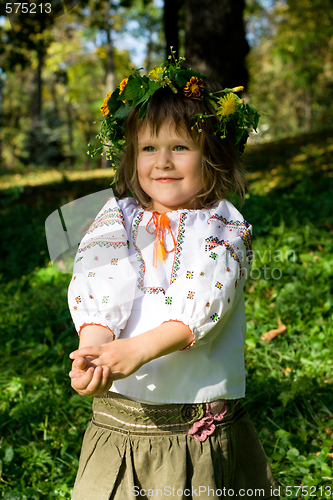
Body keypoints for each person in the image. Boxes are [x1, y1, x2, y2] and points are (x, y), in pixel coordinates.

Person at [67, 54, 279, 499]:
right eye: (149, 148)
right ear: (131, 156)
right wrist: (94, 348)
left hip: (192, 424)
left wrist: (139, 348)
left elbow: (204, 301)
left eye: (180, 147)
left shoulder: (222, 225)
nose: (162, 161)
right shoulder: (115, 218)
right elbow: (99, 281)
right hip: (121, 419)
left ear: (212, 157)